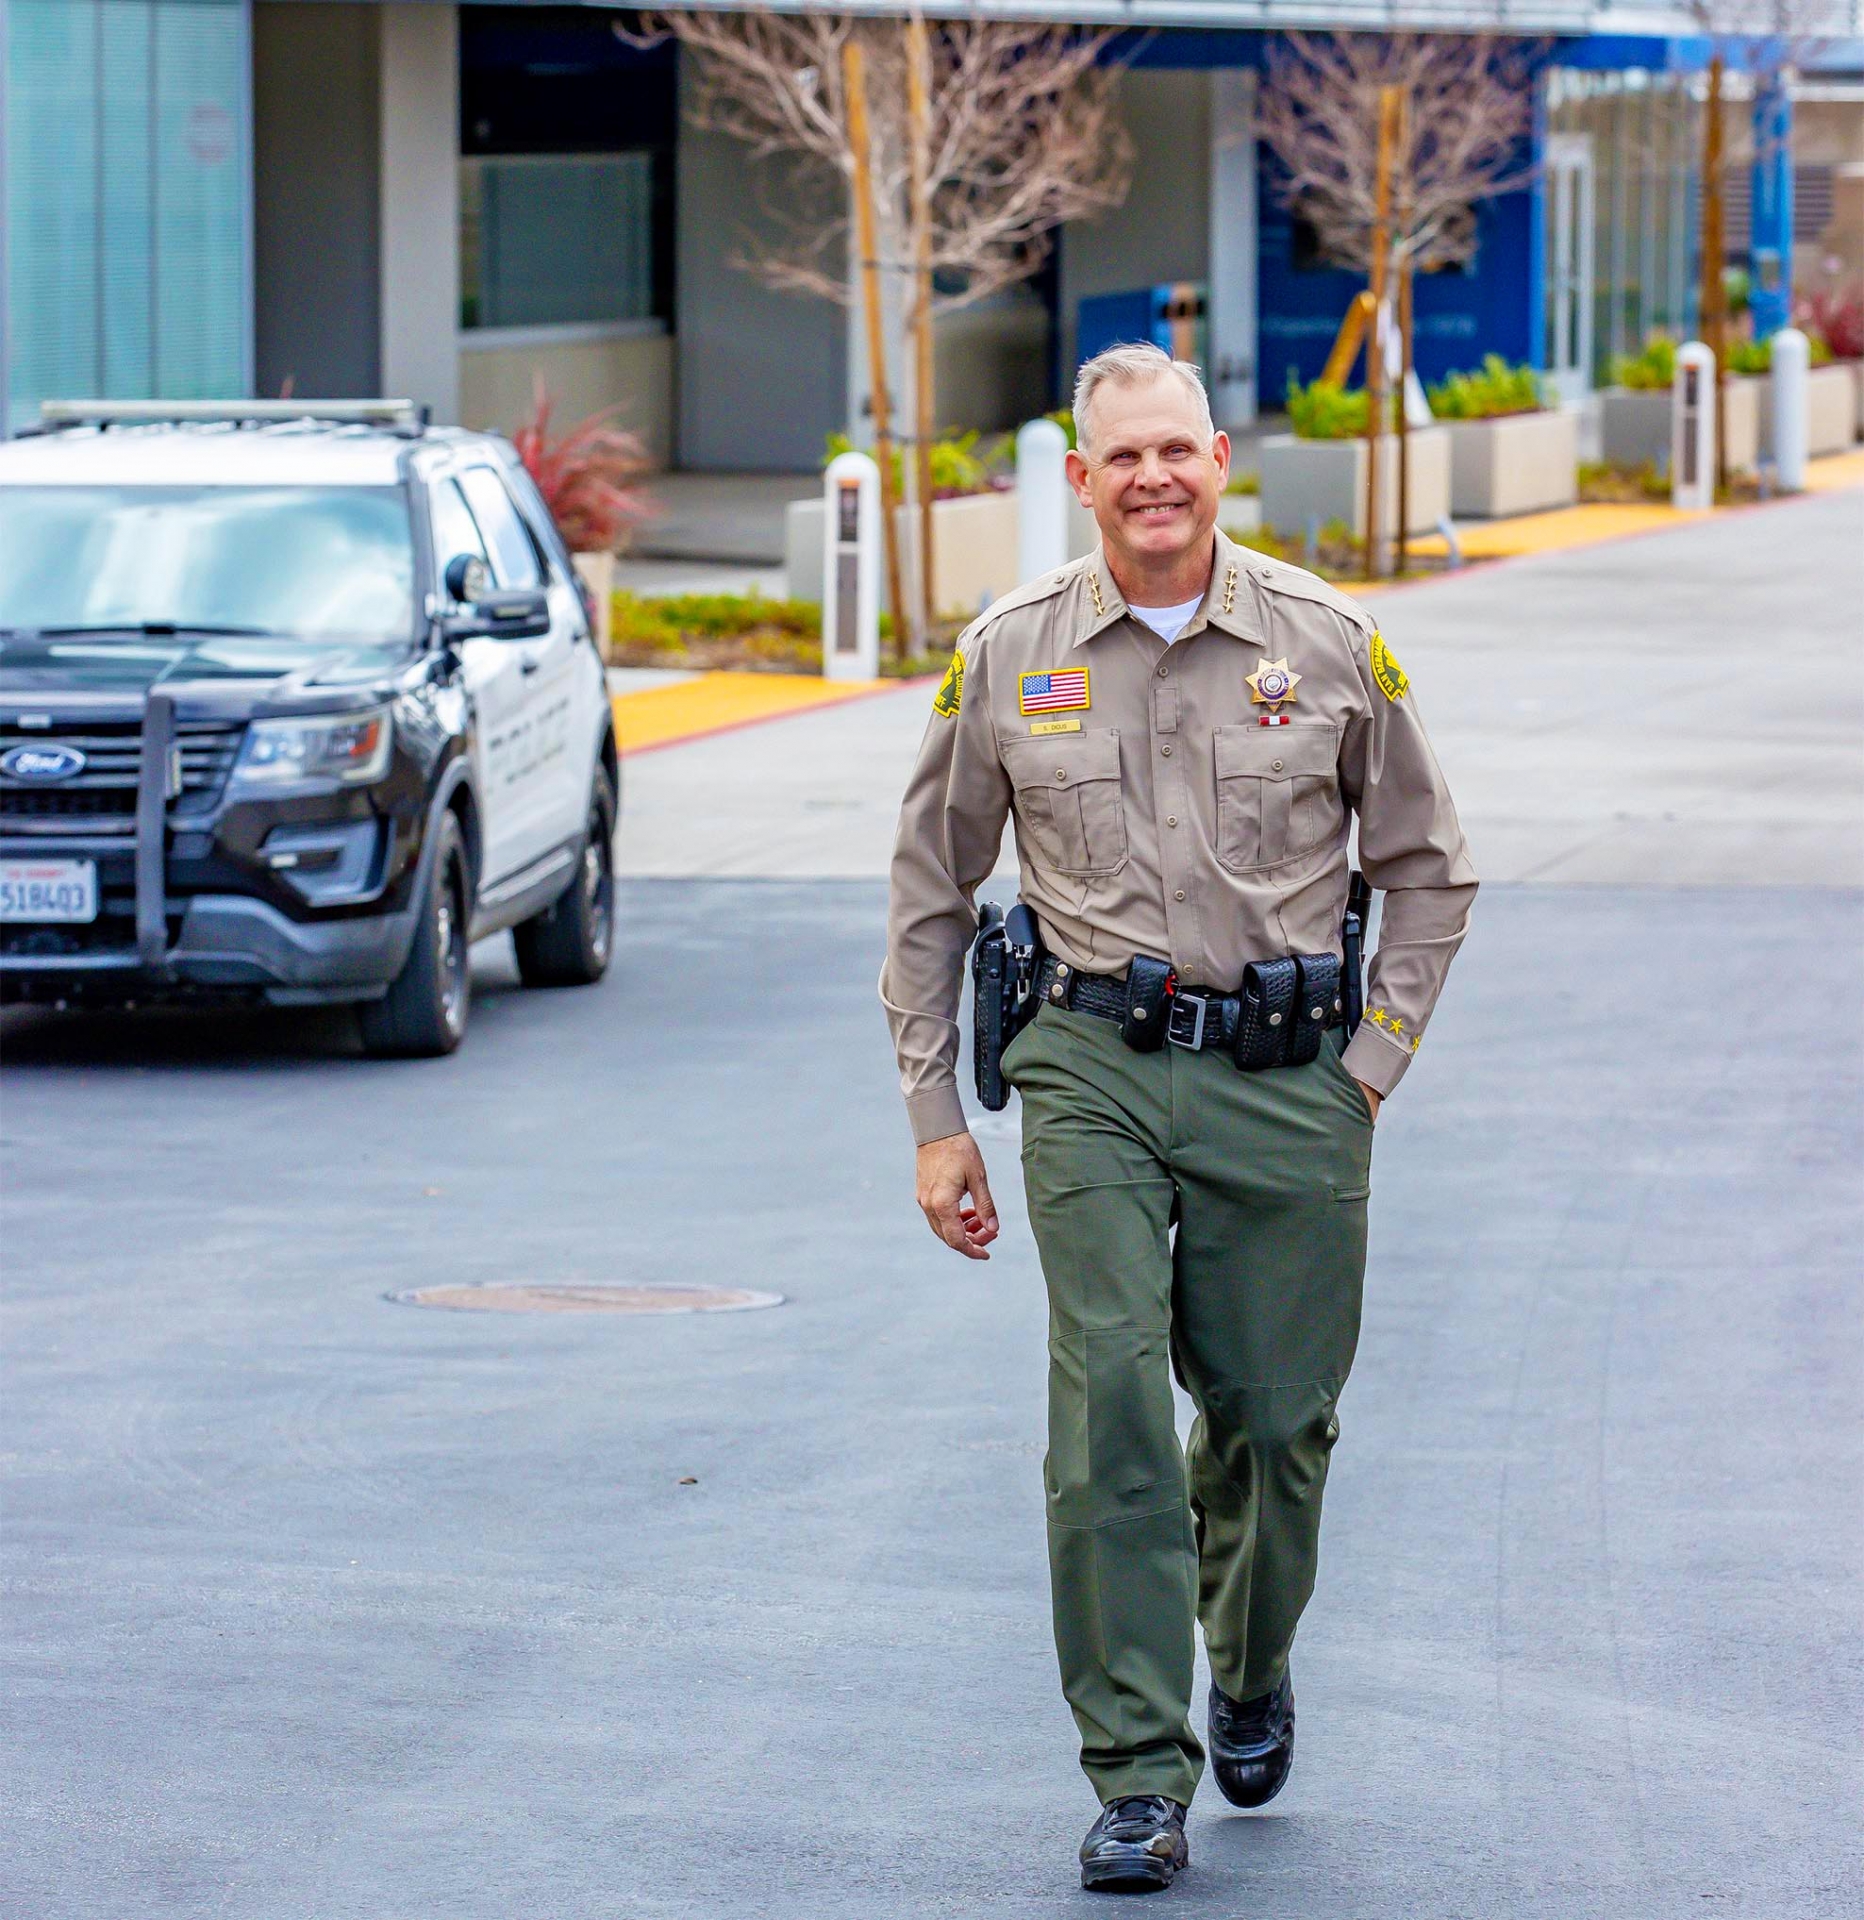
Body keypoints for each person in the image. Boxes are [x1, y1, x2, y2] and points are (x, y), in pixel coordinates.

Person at [880, 342, 1476, 1893]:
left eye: (1179, 452)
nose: (1153, 478)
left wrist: (1373, 1066)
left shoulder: (1327, 641)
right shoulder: (1010, 655)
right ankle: (1139, 1772)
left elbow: (1429, 867)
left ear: (1222, 465)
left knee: (1276, 1427)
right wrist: (937, 1112)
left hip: (1292, 1079)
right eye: (1121, 457)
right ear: (1079, 480)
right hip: (1088, 1064)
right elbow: (932, 889)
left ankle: (1252, 1658)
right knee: (1111, 1412)